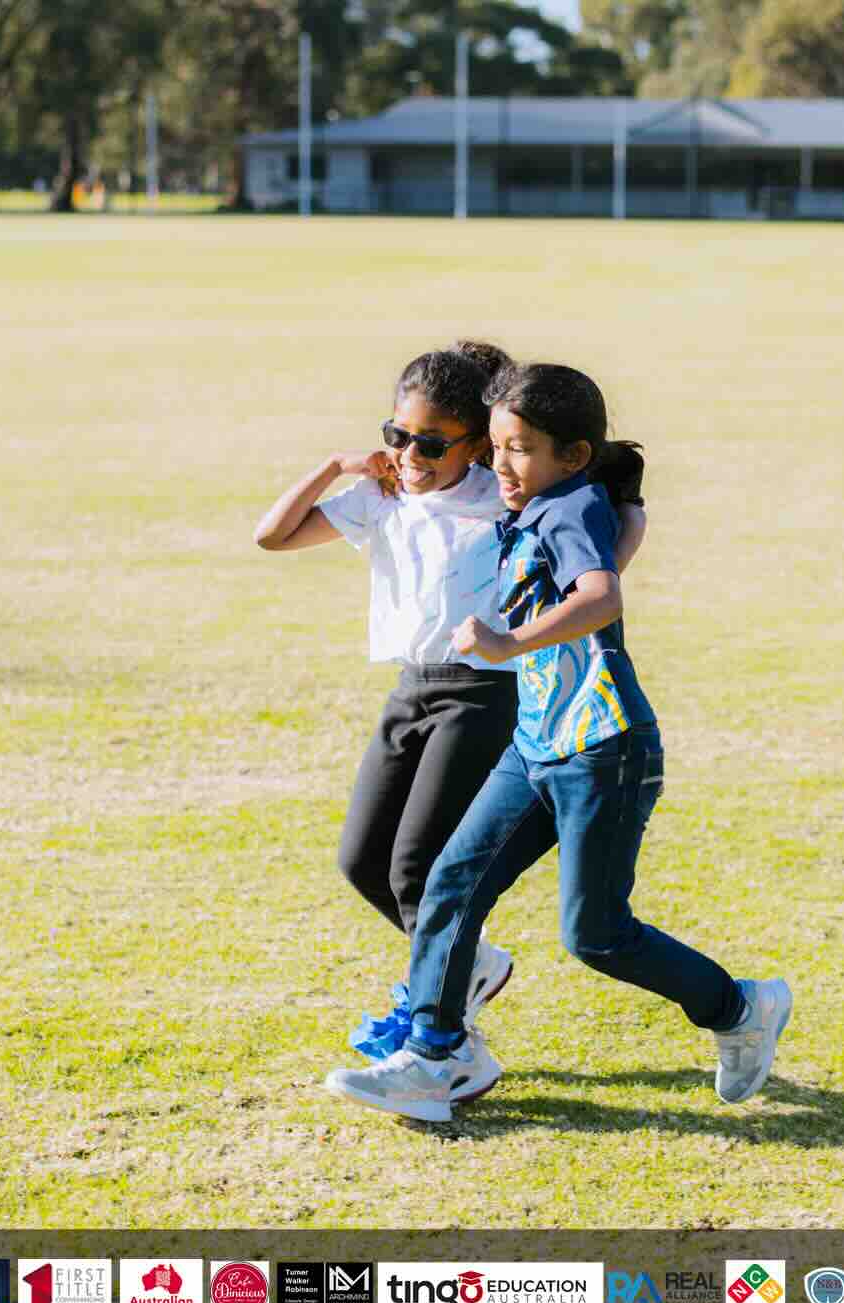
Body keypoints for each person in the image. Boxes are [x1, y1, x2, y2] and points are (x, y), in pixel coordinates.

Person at [323, 363, 790, 1122]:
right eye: (498, 447)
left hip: (603, 749)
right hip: (535, 742)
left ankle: (740, 1007)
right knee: (448, 881)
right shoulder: (549, 502)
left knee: (597, 934)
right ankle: (434, 1058)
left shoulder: (567, 506)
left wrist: (508, 644)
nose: (501, 465)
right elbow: (621, 530)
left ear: (571, 456)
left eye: (521, 449)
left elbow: (600, 593)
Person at [252, 343, 647, 1070]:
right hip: (411, 687)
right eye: (396, 436)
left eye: (432, 443)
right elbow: (271, 535)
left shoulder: (501, 496)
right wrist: (339, 465)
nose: (409, 454)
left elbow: (606, 520)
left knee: (414, 867)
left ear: (476, 443)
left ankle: (446, 1031)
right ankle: (473, 964)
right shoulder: (382, 498)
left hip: (481, 688)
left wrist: (594, 572)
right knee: (361, 859)